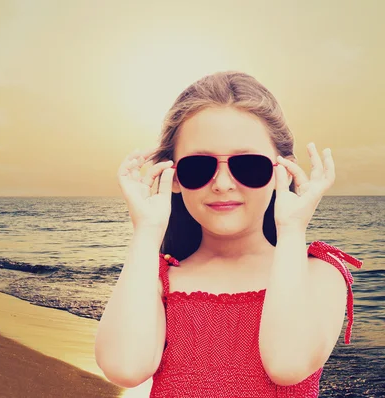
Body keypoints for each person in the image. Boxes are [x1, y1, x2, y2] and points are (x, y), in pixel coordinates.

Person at [94, 71, 363, 397]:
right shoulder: (158, 281)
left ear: (283, 170)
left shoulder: (319, 273)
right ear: (173, 175)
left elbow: (287, 363)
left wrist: (292, 230)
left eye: (248, 165)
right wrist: (146, 233)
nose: (222, 183)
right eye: (199, 167)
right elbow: (124, 367)